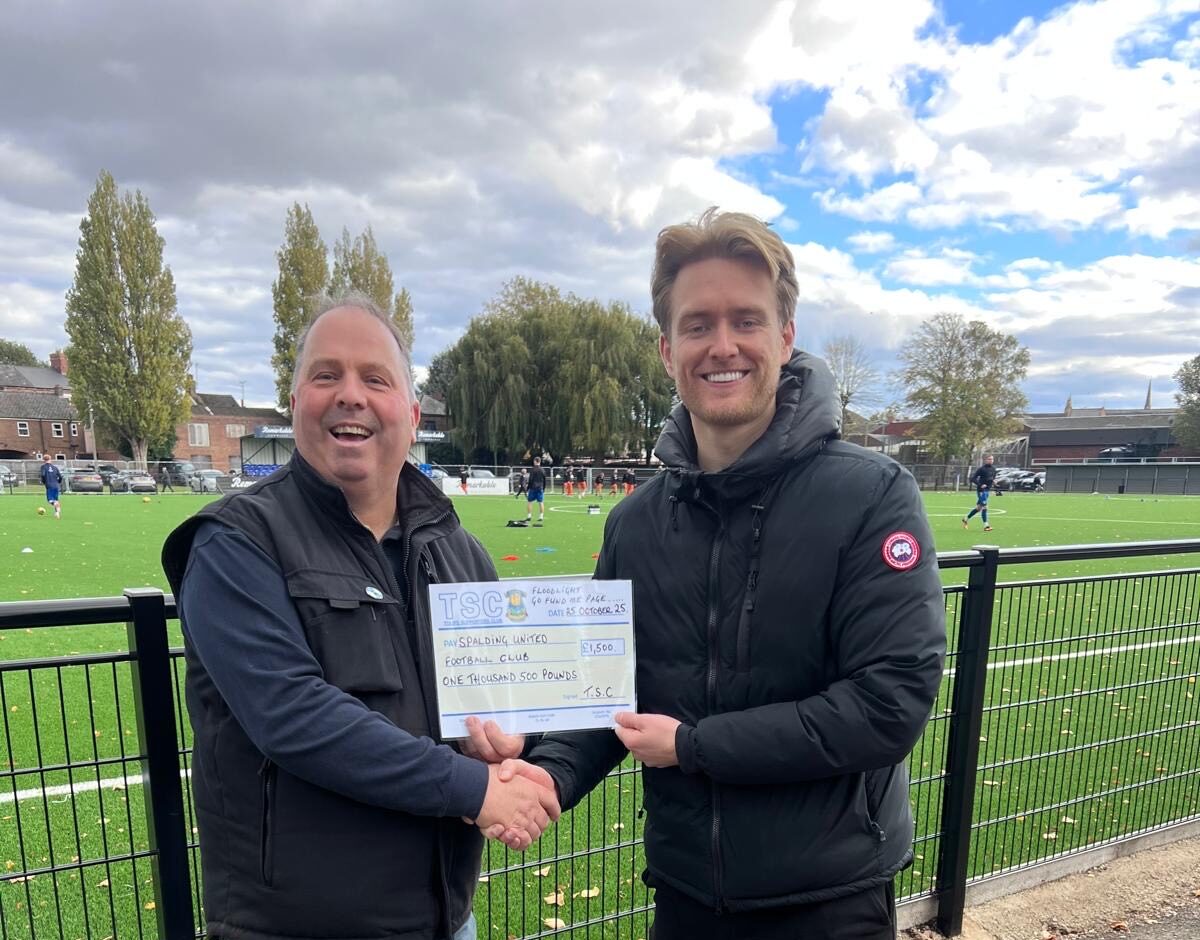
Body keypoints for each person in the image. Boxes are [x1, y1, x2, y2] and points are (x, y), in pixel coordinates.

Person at [487, 209, 946, 939]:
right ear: (668, 349)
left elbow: (888, 704)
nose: (722, 345)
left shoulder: (872, 496)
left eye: (746, 320)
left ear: (785, 336)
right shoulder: (635, 524)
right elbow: (604, 691)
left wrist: (694, 746)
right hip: (685, 894)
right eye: (698, 325)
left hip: (830, 900)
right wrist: (549, 773)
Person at [161, 295, 559, 940]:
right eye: (327, 375)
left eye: (376, 379)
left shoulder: (458, 552)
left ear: (412, 413)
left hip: (448, 919)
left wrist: (509, 739)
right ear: (295, 403)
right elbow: (293, 715)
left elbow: (506, 696)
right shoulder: (235, 542)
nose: (351, 395)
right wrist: (474, 789)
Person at [963, 454, 996, 532]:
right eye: (989, 459)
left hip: (987, 491)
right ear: (986, 460)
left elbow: (991, 478)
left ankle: (965, 519)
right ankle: (986, 526)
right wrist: (980, 484)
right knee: (985, 507)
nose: (991, 460)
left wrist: (993, 481)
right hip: (981, 491)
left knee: (978, 508)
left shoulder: (993, 469)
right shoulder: (981, 469)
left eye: (992, 459)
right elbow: (973, 478)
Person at [39, 454, 63, 518]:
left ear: (44, 460)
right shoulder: (55, 467)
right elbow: (60, 477)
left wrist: (43, 481)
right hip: (56, 485)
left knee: (50, 500)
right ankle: (57, 513)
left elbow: (43, 475)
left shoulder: (43, 467)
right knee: (56, 499)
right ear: (50, 459)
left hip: (49, 485)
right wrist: (58, 482)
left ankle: (55, 505)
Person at [526, 457, 547, 525]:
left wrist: (528, 488)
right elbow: (544, 480)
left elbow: (530, 479)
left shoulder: (532, 469)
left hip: (533, 487)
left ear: (535, 461)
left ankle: (529, 516)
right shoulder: (542, 470)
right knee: (541, 502)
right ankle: (541, 516)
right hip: (540, 488)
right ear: (540, 461)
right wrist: (543, 488)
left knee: (529, 502)